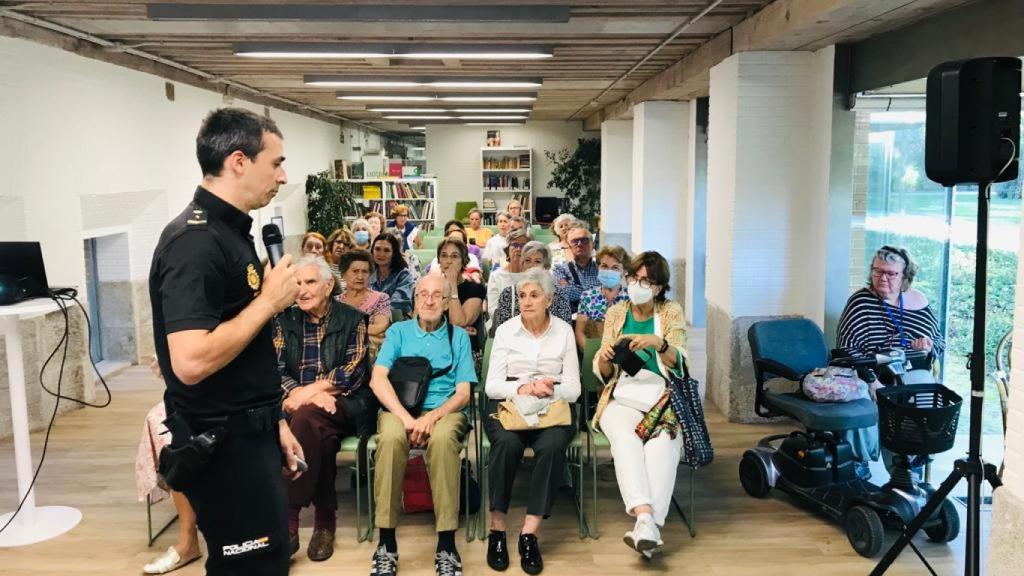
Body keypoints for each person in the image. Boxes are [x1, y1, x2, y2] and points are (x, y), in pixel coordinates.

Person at [149, 107, 303, 576]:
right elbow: (191, 361)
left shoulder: (232, 234)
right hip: (223, 444)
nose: (283, 175)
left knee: (272, 558)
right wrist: (269, 302)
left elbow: (246, 350)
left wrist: (273, 421)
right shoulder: (194, 243)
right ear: (239, 161)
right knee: (248, 568)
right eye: (275, 162)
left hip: (250, 433)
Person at [368, 274, 476, 576]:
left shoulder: (459, 337)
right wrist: (406, 419)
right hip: (399, 409)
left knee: (442, 443)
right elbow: (378, 380)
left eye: (436, 295)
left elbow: (464, 393)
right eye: (422, 294)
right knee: (390, 439)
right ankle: (386, 543)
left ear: (446, 301)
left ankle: (446, 544)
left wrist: (430, 418)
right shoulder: (398, 332)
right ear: (414, 300)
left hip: (444, 412)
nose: (429, 301)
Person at [274, 256, 374, 562]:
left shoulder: (353, 319)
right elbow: (275, 370)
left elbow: (353, 373)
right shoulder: (284, 320)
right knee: (319, 435)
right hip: (301, 407)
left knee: (307, 419)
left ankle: (289, 521)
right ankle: (324, 521)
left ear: (328, 286)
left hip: (345, 403)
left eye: (310, 282)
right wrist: (304, 396)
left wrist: (309, 392)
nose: (302, 290)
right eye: (298, 284)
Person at [484, 268, 580, 574]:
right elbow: (492, 386)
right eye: (522, 295)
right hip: (510, 403)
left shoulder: (564, 330)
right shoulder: (505, 331)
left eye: (534, 295)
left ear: (549, 299)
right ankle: (497, 529)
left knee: (552, 447)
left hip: (552, 405)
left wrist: (545, 390)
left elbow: (574, 389)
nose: (526, 301)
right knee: (505, 444)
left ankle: (529, 533)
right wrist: (525, 388)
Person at [593, 251, 687, 560]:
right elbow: (605, 375)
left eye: (645, 280)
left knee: (663, 444)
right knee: (624, 438)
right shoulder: (617, 312)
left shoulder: (670, 312)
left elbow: (680, 363)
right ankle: (648, 520)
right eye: (633, 278)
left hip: (661, 397)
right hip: (622, 395)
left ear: (659, 287)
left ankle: (646, 523)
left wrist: (657, 343)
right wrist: (605, 358)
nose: (637, 285)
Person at [836, 245, 944, 477]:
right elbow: (845, 349)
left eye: (891, 273)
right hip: (868, 372)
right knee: (862, 396)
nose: (882, 278)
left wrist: (927, 347)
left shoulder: (919, 302)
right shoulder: (861, 302)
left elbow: (938, 342)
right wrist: (871, 380)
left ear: (905, 276)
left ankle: (908, 464)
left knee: (923, 386)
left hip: (906, 369)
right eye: (877, 271)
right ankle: (858, 462)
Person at [491, 243, 573, 331]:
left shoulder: (559, 294)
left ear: (547, 267)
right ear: (522, 265)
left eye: (537, 261)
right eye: (527, 260)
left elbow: (564, 329)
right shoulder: (508, 293)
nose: (531, 265)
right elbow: (503, 330)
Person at [436, 237, 486, 372]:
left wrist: (452, 283)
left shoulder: (476, 289)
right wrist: (450, 331)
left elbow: (458, 321)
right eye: (444, 256)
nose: (448, 261)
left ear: (464, 261)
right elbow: (419, 324)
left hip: (466, 352)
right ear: (439, 261)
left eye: (454, 256)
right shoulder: (431, 289)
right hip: (435, 347)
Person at [338, 250, 392, 357]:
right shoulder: (335, 302)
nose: (360, 277)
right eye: (355, 271)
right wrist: (369, 334)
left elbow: (380, 328)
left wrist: (344, 331)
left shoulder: (381, 298)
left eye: (364, 272)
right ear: (343, 274)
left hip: (370, 354)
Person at [575, 245, 630, 350]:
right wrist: (592, 354)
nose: (609, 271)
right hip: (593, 353)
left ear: (624, 272)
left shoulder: (630, 298)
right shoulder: (587, 296)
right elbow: (580, 332)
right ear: (598, 267)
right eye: (604, 266)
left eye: (615, 268)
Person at [486, 228, 531, 324]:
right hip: (502, 323)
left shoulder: (534, 275)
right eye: (515, 245)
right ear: (507, 250)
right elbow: (493, 309)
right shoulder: (496, 276)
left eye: (523, 246)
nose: (518, 249)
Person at [552, 222, 599, 312]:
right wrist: (597, 290)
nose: (579, 244)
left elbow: (610, 294)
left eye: (584, 240)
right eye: (575, 241)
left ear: (592, 244)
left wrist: (572, 287)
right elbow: (563, 294)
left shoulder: (601, 269)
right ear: (569, 247)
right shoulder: (560, 269)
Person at [369, 233, 414, 317]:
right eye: (377, 249)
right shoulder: (368, 273)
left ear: (393, 253)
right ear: (372, 251)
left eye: (386, 250)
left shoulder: (404, 275)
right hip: (371, 319)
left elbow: (397, 305)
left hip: (397, 320)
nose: (381, 254)